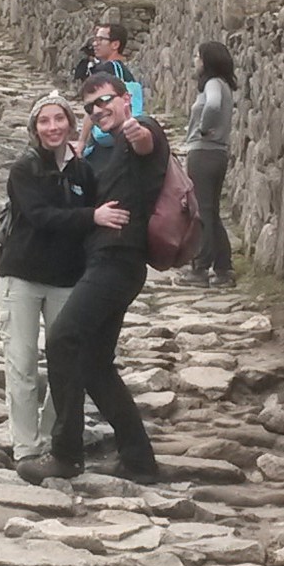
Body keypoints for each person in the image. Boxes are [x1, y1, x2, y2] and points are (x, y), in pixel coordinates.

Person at [18, 73, 170, 486]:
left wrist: (136, 129)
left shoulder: (140, 130)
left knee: (63, 339)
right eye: (90, 107)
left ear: (125, 98)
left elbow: (145, 140)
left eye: (105, 100)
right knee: (95, 364)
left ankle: (66, 454)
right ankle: (139, 460)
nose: (99, 110)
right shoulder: (108, 149)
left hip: (116, 261)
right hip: (108, 263)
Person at [0, 91, 130, 478]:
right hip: (21, 275)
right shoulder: (24, 170)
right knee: (21, 363)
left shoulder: (83, 173)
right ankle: (25, 447)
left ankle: (53, 439)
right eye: (44, 121)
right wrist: (92, 216)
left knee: (65, 364)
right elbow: (41, 216)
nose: (52, 127)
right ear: (35, 128)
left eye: (59, 119)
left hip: (66, 279)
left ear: (71, 125)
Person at [176, 41, 237, 289]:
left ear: (206, 61)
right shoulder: (224, 85)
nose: (194, 61)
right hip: (218, 154)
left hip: (204, 152)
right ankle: (224, 268)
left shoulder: (212, 84)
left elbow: (212, 105)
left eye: (197, 56)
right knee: (211, 211)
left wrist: (203, 128)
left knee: (201, 211)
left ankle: (200, 268)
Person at [76, 23, 143, 174]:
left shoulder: (107, 70)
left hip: (108, 141)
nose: (95, 43)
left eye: (101, 39)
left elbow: (94, 107)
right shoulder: (123, 70)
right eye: (95, 39)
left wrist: (81, 142)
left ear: (115, 45)